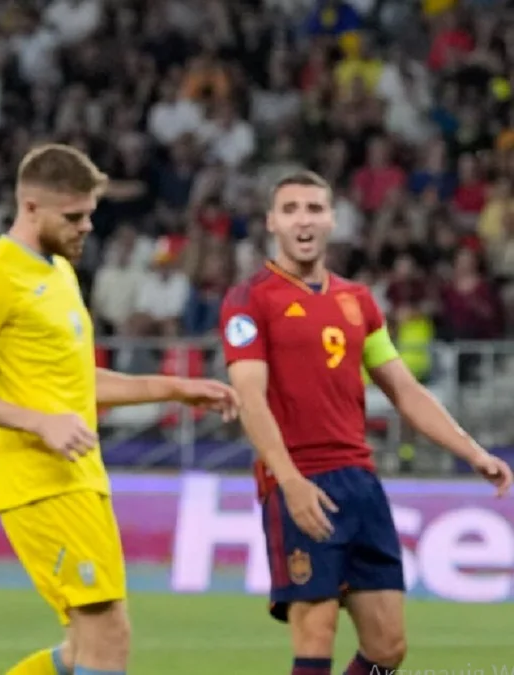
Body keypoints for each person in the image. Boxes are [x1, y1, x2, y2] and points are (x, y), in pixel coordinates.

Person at [0, 143, 239, 675]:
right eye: (73, 216)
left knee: (82, 650)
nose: (86, 226)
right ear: (31, 208)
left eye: (89, 213)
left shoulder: (60, 273)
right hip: (42, 483)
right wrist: (39, 422)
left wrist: (175, 389)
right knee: (107, 640)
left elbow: (76, 383)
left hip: (79, 476)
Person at [219, 170, 513, 675]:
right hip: (299, 478)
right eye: (290, 209)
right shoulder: (250, 299)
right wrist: (289, 482)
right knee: (316, 633)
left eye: (314, 208)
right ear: (272, 222)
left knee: (388, 647)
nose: (303, 220)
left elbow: (404, 389)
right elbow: (250, 395)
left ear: (333, 220)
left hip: (359, 480)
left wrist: (472, 451)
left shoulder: (357, 301)